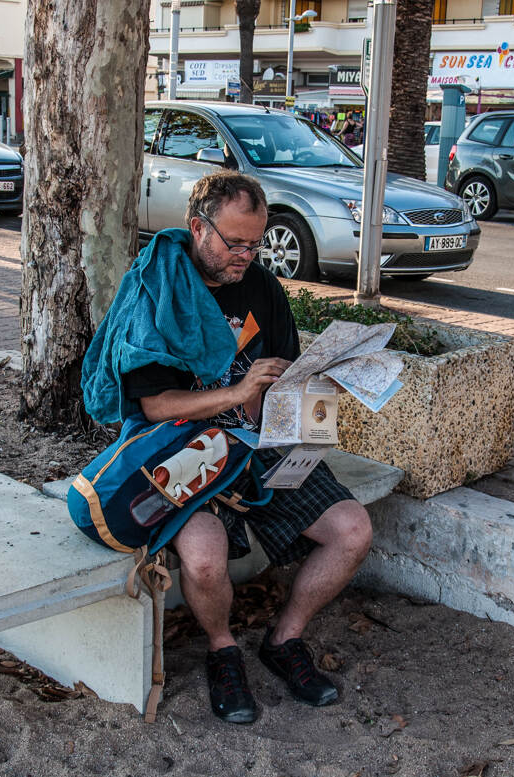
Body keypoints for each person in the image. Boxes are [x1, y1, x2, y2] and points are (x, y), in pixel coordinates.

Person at [82, 171, 372, 725]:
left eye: (256, 242)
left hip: (256, 446)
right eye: (234, 242)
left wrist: (318, 388)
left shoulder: (262, 287)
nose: (246, 254)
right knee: (206, 558)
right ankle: (223, 649)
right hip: (182, 449)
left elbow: (284, 374)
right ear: (198, 227)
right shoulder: (160, 291)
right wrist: (235, 393)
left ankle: (284, 640)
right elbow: (150, 406)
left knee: (352, 530)